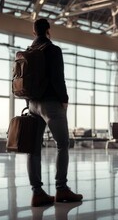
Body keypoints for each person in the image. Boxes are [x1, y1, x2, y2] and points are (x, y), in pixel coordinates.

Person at [27, 18, 83, 207]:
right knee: (63, 144)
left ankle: (37, 193)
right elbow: (58, 78)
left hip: (33, 105)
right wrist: (64, 100)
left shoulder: (29, 51)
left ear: (34, 32)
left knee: (33, 149)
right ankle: (61, 189)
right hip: (51, 103)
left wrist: (30, 103)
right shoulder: (53, 50)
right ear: (48, 31)